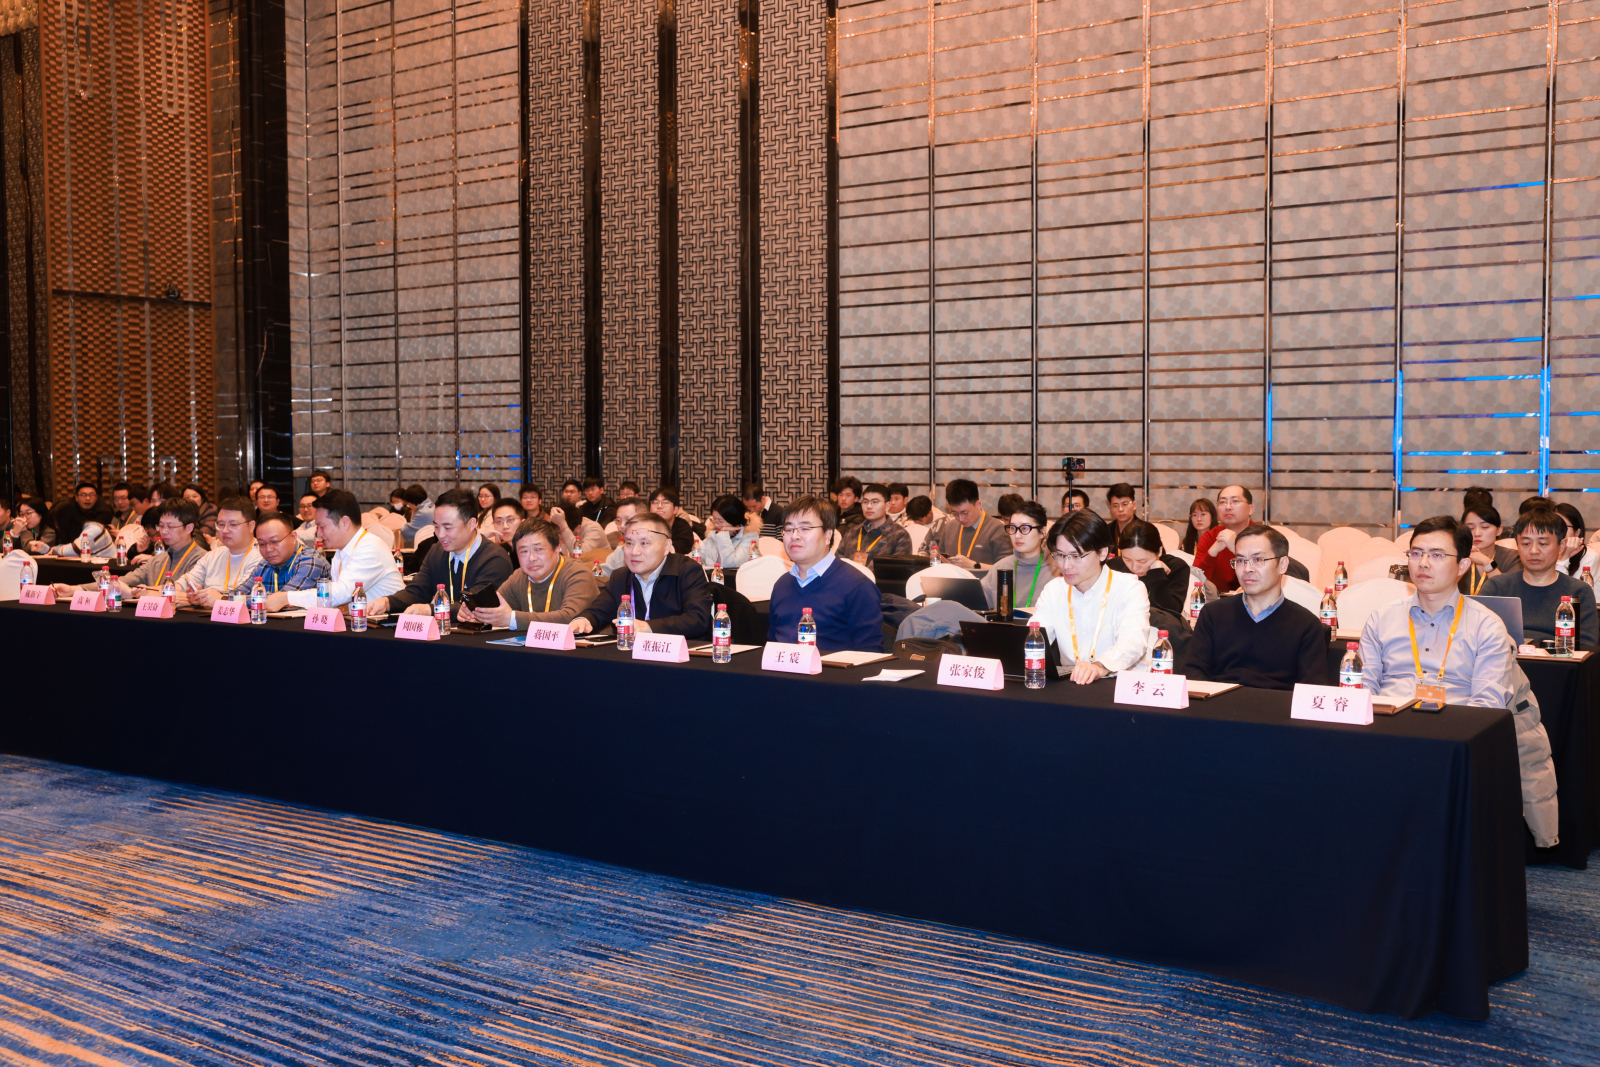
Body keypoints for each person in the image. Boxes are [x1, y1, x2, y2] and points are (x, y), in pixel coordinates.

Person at [1361, 516, 1558, 847]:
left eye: (1437, 555)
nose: (1424, 563)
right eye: (1416, 553)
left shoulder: (1487, 626)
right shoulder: (1381, 619)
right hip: (1388, 738)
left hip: (1453, 745)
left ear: (1463, 565)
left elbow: (1486, 710)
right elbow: (1362, 689)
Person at [1185, 525, 1331, 690]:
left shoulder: (1307, 625)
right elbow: (1193, 675)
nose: (1247, 569)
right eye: (1240, 560)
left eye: (1258, 560)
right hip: (1218, 703)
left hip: (1279, 706)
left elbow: (1312, 692)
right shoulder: (1213, 614)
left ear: (1283, 565)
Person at [1029, 509, 1151, 683]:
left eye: (1075, 556)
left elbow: (1133, 641)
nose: (1066, 565)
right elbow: (1034, 637)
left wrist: (1100, 666)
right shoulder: (1054, 590)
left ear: (1102, 553)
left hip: (1120, 684)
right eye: (1060, 555)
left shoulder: (1130, 588)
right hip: (1072, 684)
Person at [367, 488, 512, 617]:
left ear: (471, 524)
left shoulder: (495, 559)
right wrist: (387, 602)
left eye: (448, 528)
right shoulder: (437, 551)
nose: (440, 535)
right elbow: (417, 591)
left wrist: (430, 610)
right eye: (436, 526)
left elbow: (476, 606)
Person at [768, 496, 884, 653]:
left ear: (828, 535)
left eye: (805, 528)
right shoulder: (782, 584)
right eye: (789, 529)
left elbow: (870, 654)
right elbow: (772, 644)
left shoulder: (857, 586)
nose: (794, 536)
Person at [573, 511, 712, 638]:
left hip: (680, 654)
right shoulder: (620, 577)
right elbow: (598, 611)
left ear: (667, 546)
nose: (634, 552)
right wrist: (583, 620)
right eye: (629, 543)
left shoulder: (687, 571)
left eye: (644, 543)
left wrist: (648, 627)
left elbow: (698, 619)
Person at [264, 489, 405, 612]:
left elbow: (340, 594)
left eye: (322, 527)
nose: (319, 534)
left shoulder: (370, 547)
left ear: (344, 522)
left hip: (386, 626)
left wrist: (287, 597)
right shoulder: (341, 551)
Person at [1480, 508, 1599, 648]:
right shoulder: (1497, 587)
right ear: (1517, 545)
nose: (1533, 551)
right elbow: (1477, 635)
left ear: (1561, 546)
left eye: (1543, 544)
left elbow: (1587, 646)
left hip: (1559, 660)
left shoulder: (1578, 592)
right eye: (1526, 544)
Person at [56, 498, 207, 598]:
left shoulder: (202, 559)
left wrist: (138, 593)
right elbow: (123, 581)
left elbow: (184, 595)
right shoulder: (159, 559)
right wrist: (74, 589)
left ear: (189, 528)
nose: (164, 531)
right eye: (161, 526)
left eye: (171, 527)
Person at [468, 517, 601, 630]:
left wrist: (512, 619)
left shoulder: (577, 573)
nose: (531, 558)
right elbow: (495, 609)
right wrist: (474, 612)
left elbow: (569, 618)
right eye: (524, 551)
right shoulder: (519, 576)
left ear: (557, 548)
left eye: (538, 549)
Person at [177, 498, 263, 608]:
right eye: (221, 524)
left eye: (233, 524)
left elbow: (246, 596)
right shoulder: (212, 555)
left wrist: (216, 598)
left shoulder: (262, 557)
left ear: (251, 526)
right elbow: (185, 582)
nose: (225, 530)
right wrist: (195, 595)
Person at [229, 512, 330, 596]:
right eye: (262, 544)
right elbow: (238, 595)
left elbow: (284, 600)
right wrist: (226, 598)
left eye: (275, 541)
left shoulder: (311, 560)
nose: (269, 549)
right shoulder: (265, 564)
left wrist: (245, 599)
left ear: (293, 537)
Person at [980, 501, 1052, 613]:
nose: (1017, 536)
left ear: (1042, 532)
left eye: (1024, 528)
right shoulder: (1000, 568)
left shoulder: (1056, 570)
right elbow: (978, 606)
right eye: (1013, 528)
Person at [1110, 520, 1192, 616]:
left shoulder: (1176, 567)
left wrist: (1157, 573)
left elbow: (1172, 611)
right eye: (1127, 559)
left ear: (1159, 551)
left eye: (1142, 561)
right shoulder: (1113, 567)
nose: (1134, 567)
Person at [933, 478, 1010, 566]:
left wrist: (973, 565)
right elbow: (940, 564)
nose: (961, 519)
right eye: (955, 513)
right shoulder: (949, 528)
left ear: (978, 505)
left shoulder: (997, 529)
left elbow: (1006, 569)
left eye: (965, 513)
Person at [1194, 484, 1254, 594]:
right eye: (1222, 502)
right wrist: (1212, 553)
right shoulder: (1210, 536)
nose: (1228, 507)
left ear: (1250, 509)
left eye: (1235, 501)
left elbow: (1267, 577)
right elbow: (1196, 582)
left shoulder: (1264, 536)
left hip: (1254, 599)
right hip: (1216, 600)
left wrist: (1236, 549)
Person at [838, 483, 911, 564]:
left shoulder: (899, 535)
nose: (869, 506)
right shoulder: (853, 532)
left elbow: (899, 569)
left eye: (875, 502)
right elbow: (838, 562)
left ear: (887, 506)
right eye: (865, 502)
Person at [1460, 502, 1518, 594]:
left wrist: (1487, 563)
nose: (1477, 533)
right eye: (1470, 528)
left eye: (1485, 527)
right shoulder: (1457, 556)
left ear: (1499, 530)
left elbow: (1511, 594)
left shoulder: (1513, 557)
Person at [595, 497, 656, 577]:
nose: (622, 526)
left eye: (628, 520)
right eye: (618, 520)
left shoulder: (660, 549)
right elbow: (602, 574)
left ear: (645, 520)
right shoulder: (619, 552)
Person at [698, 494, 761, 570]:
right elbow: (696, 556)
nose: (716, 524)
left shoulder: (749, 536)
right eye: (714, 519)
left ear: (733, 520)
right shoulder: (713, 534)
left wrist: (723, 534)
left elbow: (731, 564)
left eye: (720, 521)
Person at [1554, 502, 1597, 579]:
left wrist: (1564, 557)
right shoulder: (1546, 552)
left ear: (1576, 532)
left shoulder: (1589, 555)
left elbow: (1562, 585)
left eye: (1564, 527)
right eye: (1554, 526)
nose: (1558, 531)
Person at [648, 487, 696, 555]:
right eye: (655, 502)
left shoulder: (683, 528)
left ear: (675, 509)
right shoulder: (644, 525)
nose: (659, 506)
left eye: (665, 503)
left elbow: (681, 549)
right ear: (650, 509)